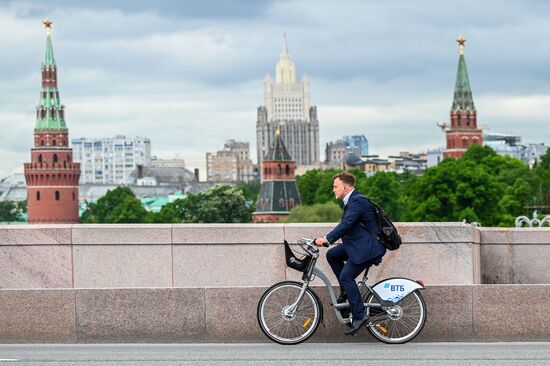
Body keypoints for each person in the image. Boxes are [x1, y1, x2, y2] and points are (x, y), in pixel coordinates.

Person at [314, 172, 386, 335]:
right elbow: (348, 226)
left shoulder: (357, 201)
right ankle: (347, 293)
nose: (333, 190)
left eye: (335, 186)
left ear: (345, 187)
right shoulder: (352, 201)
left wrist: (327, 239)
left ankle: (360, 316)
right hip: (359, 245)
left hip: (368, 249)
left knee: (347, 277)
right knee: (332, 255)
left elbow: (346, 224)